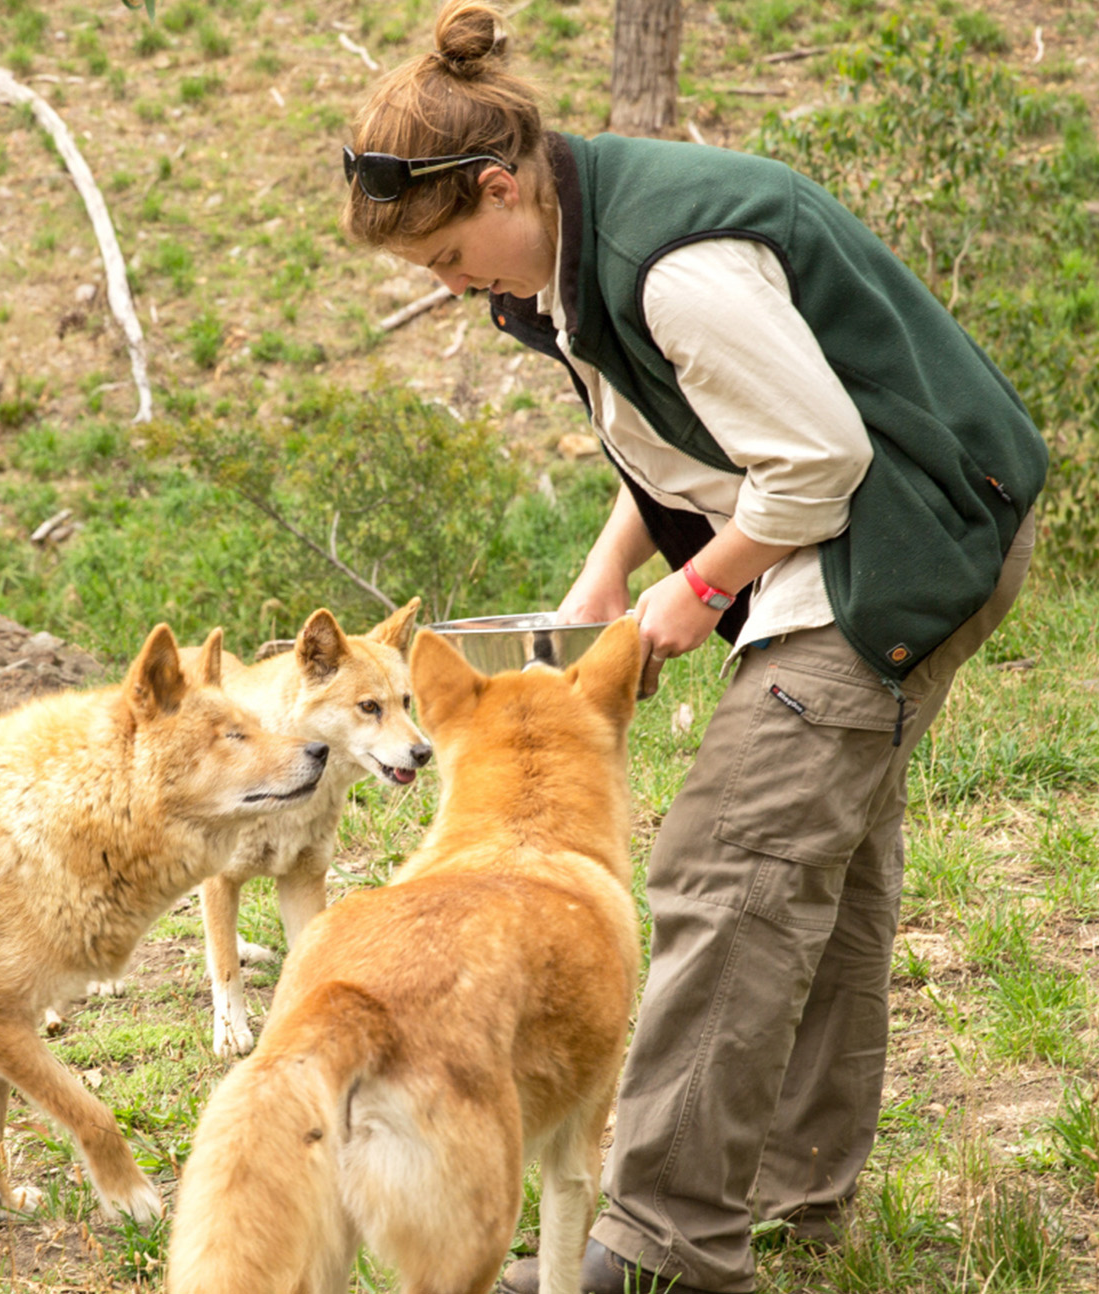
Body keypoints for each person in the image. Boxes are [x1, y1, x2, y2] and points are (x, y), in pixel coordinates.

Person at [339, 5, 1048, 1293]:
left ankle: (663, 1249)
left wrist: (701, 586)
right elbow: (703, 416)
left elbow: (818, 463)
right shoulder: (571, 240)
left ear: (503, 184)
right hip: (844, 533)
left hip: (899, 543)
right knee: (816, 886)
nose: (449, 284)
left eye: (449, 252)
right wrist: (620, 560)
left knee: (728, 866)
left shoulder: (672, 261)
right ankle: (789, 1203)